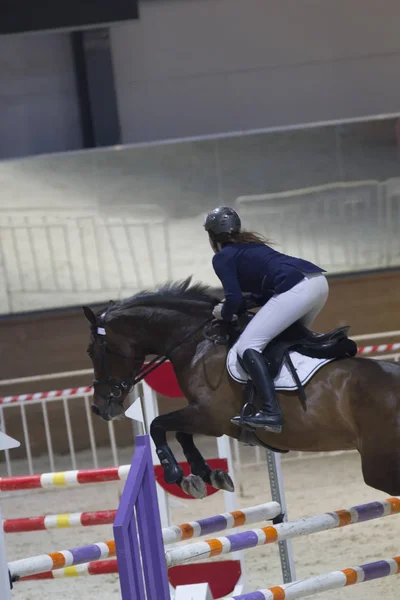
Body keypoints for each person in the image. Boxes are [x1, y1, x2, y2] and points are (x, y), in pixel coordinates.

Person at [204, 206, 329, 433]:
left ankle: (272, 412)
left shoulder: (223, 257)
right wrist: (242, 304)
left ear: (212, 237)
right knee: (286, 340)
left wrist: (222, 313)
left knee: (248, 346)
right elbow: (263, 293)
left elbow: (232, 297)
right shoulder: (250, 246)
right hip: (317, 283)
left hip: (297, 289)